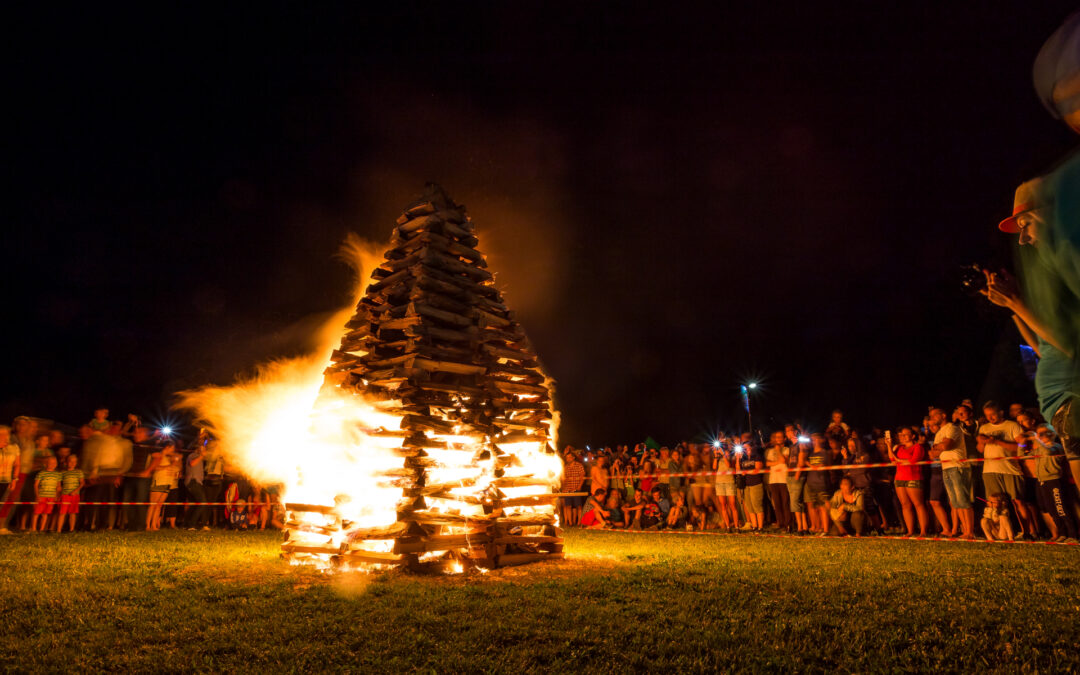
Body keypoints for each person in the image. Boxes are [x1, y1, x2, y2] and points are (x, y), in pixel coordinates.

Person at [976, 402, 1039, 538]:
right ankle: (999, 533)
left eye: (992, 414)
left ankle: (1030, 532)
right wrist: (981, 442)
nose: (990, 418)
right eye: (987, 415)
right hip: (990, 470)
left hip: (1010, 469)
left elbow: (1019, 447)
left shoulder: (1012, 426)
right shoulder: (984, 427)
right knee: (993, 503)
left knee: (1018, 501)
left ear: (1001, 413)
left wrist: (997, 442)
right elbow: (980, 450)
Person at [930, 407, 975, 540]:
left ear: (943, 415)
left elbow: (946, 446)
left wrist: (939, 446)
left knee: (963, 500)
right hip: (946, 467)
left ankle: (970, 532)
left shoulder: (952, 428)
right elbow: (933, 454)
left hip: (957, 466)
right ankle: (965, 531)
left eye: (934, 415)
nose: (931, 418)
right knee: (955, 502)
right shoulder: (939, 433)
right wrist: (940, 446)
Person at [1031, 424, 1079, 543]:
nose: (1040, 436)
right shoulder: (1039, 448)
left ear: (1051, 434)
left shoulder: (1056, 446)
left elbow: (1047, 452)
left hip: (1054, 480)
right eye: (1038, 434)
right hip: (1043, 481)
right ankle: (1062, 533)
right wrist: (1022, 442)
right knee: (1051, 509)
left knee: (1060, 508)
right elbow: (1023, 454)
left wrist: (1036, 440)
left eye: (1043, 433)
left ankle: (1073, 535)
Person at [888, 427, 928, 538]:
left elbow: (913, 461)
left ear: (913, 436)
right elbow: (892, 458)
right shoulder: (899, 447)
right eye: (901, 435)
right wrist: (888, 446)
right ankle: (910, 531)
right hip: (900, 478)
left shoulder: (917, 447)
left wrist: (899, 461)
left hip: (913, 478)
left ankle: (923, 531)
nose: (902, 437)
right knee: (905, 505)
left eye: (905, 434)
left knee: (918, 504)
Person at [803, 433, 832, 535]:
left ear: (821, 440)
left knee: (823, 507)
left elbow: (822, 464)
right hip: (811, 483)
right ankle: (819, 528)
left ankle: (826, 530)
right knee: (815, 508)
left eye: (816, 439)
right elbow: (804, 461)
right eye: (812, 439)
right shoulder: (810, 454)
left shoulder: (824, 452)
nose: (814, 441)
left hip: (821, 483)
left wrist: (811, 465)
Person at [146, 442, 179, 531]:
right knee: (153, 504)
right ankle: (147, 525)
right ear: (167, 447)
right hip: (159, 482)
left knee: (159, 506)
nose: (173, 450)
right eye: (172, 448)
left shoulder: (168, 458)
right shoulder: (158, 455)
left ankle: (154, 525)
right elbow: (154, 467)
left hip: (167, 483)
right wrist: (167, 466)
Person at [784, 428, 810, 535]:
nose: (788, 433)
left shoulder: (801, 444)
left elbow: (802, 458)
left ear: (795, 432)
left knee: (794, 502)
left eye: (790, 431)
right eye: (787, 431)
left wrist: (797, 474)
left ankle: (799, 528)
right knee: (798, 502)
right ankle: (805, 527)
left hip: (796, 475)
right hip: (790, 475)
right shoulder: (791, 447)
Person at [764, 431, 791, 531]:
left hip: (783, 479)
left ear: (784, 439)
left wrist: (778, 450)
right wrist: (777, 462)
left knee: (785, 503)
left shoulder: (787, 449)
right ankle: (781, 524)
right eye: (776, 437)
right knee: (777, 503)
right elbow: (767, 463)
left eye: (780, 437)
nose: (778, 439)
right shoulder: (770, 451)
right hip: (773, 480)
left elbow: (784, 461)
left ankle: (788, 524)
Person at [738, 441, 765, 531]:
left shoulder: (757, 456)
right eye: (744, 448)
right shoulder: (743, 459)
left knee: (757, 505)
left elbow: (758, 469)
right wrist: (738, 458)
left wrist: (746, 472)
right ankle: (754, 526)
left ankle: (760, 527)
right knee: (749, 507)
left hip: (756, 483)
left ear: (752, 447)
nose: (745, 450)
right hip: (746, 484)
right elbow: (738, 470)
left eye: (747, 448)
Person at [32, 456, 62, 533]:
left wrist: (57, 495)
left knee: (45, 513)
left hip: (51, 497)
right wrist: (37, 495)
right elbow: (36, 485)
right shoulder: (41, 473)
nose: (53, 464)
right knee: (37, 512)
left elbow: (58, 486)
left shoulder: (57, 474)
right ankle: (34, 529)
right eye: (50, 463)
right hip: (42, 496)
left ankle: (41, 529)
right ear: (46, 464)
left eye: (54, 463)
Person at [57, 454, 85, 533]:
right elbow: (59, 484)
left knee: (72, 513)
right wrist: (59, 493)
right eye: (70, 461)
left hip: (74, 495)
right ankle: (58, 530)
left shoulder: (79, 472)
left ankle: (71, 529)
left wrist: (76, 491)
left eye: (74, 462)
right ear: (66, 462)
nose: (72, 463)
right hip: (65, 495)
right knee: (62, 513)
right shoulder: (62, 473)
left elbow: (82, 483)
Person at [185, 439, 209, 530]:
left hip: (196, 482)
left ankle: (187, 524)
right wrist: (201, 456)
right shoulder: (193, 455)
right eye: (202, 449)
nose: (204, 450)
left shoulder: (199, 456)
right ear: (197, 449)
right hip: (193, 482)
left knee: (195, 505)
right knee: (203, 503)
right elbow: (192, 463)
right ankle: (191, 525)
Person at [0, 425, 20, 534]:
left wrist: (14, 479)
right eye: (1, 434)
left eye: (5, 434)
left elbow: (17, 464)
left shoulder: (14, 447)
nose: (3, 436)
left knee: (1, 503)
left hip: (6, 480)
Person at [560, 448, 586, 527]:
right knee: (568, 506)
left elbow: (582, 477)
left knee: (579, 506)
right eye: (567, 458)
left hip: (576, 488)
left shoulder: (579, 465)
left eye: (569, 457)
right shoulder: (566, 467)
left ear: (573, 457)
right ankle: (570, 523)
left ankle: (579, 522)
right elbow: (564, 478)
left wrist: (579, 486)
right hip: (567, 489)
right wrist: (563, 488)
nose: (567, 459)